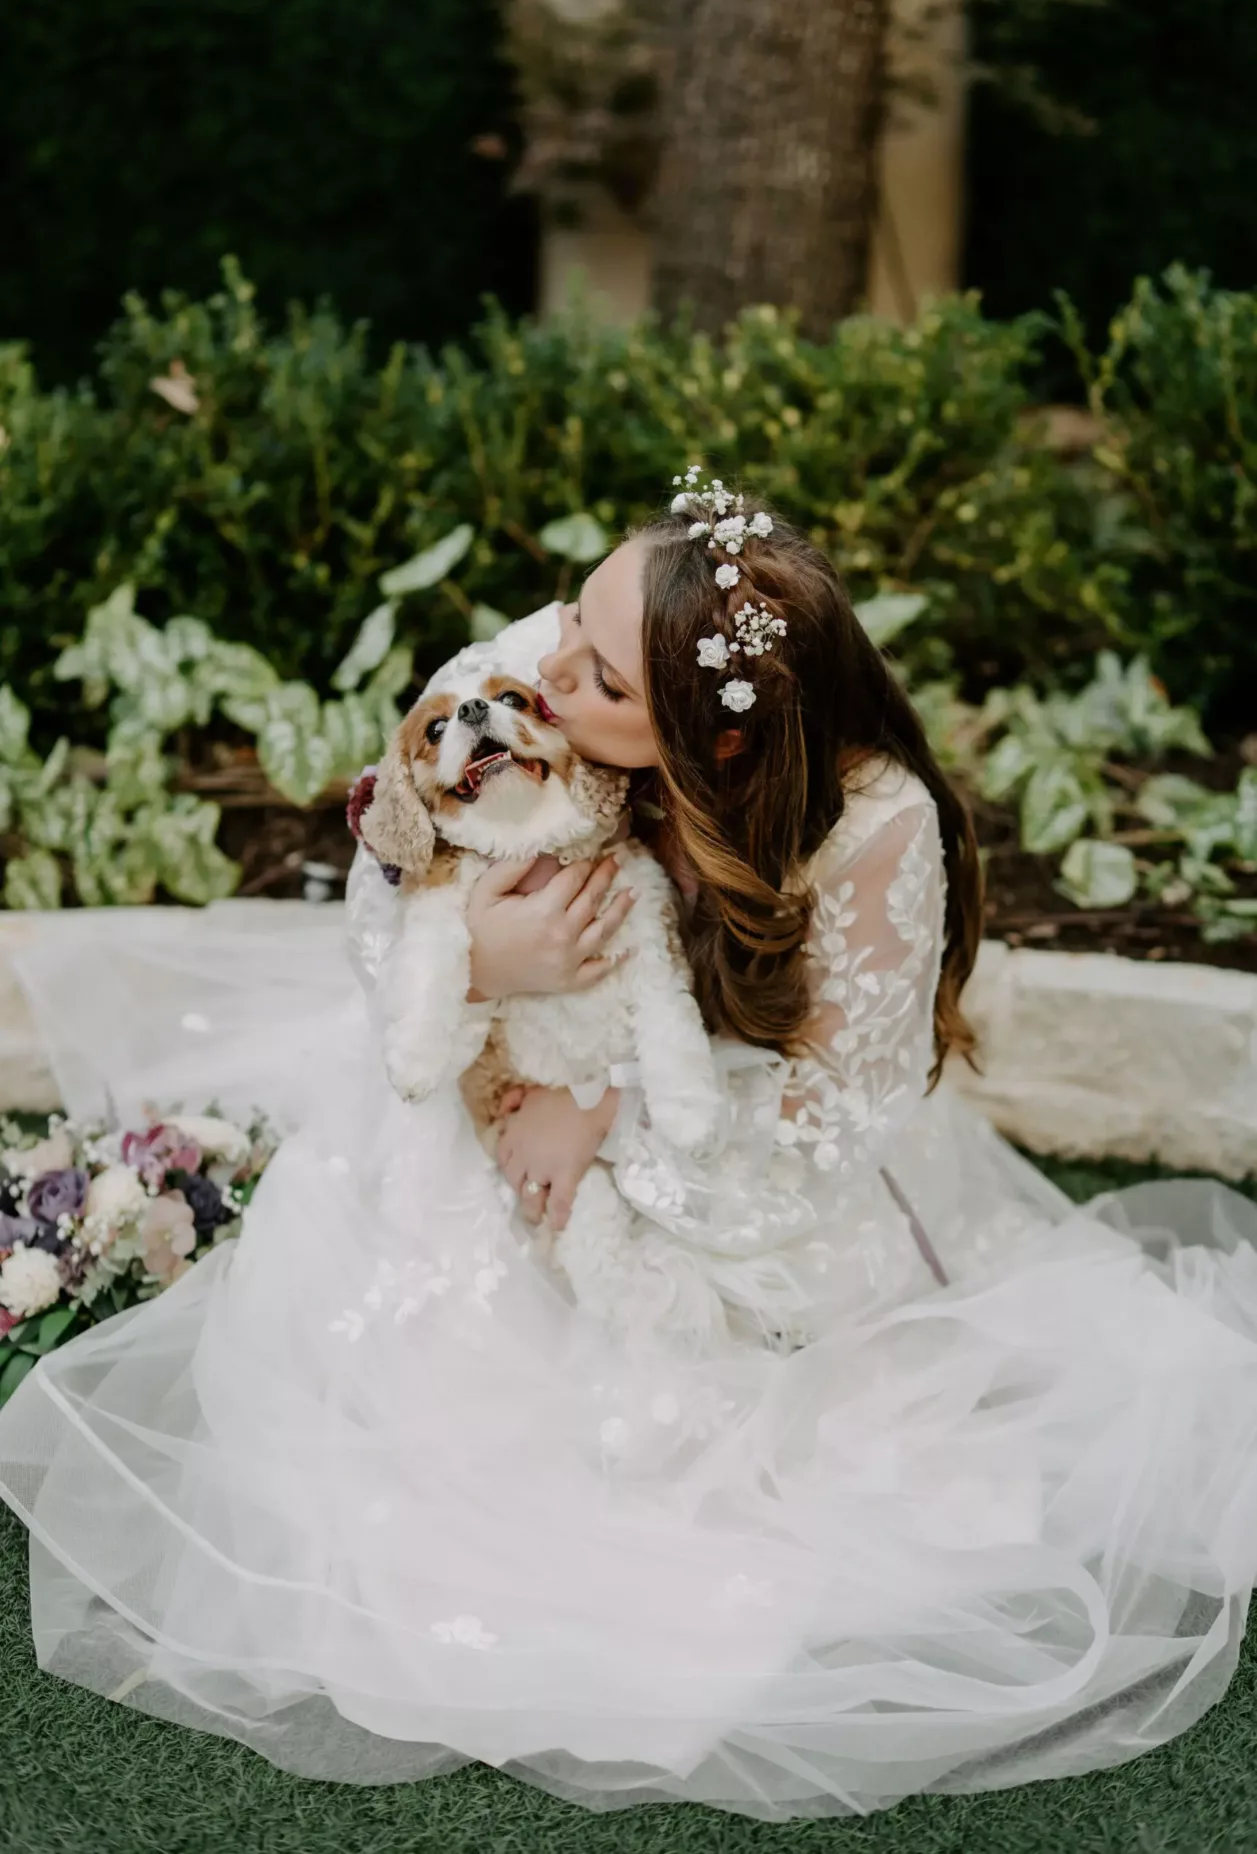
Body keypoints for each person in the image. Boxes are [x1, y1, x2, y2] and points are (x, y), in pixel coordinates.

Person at [0, 477, 1255, 1824]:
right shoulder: (569, 649)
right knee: (410, 1395)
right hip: (489, 1060)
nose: (541, 666)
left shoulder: (876, 825)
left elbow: (833, 1121)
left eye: (594, 677)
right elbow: (387, 878)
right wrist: (484, 961)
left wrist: (605, 1119)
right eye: (574, 625)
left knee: (718, 1457)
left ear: (713, 748)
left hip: (715, 1130)